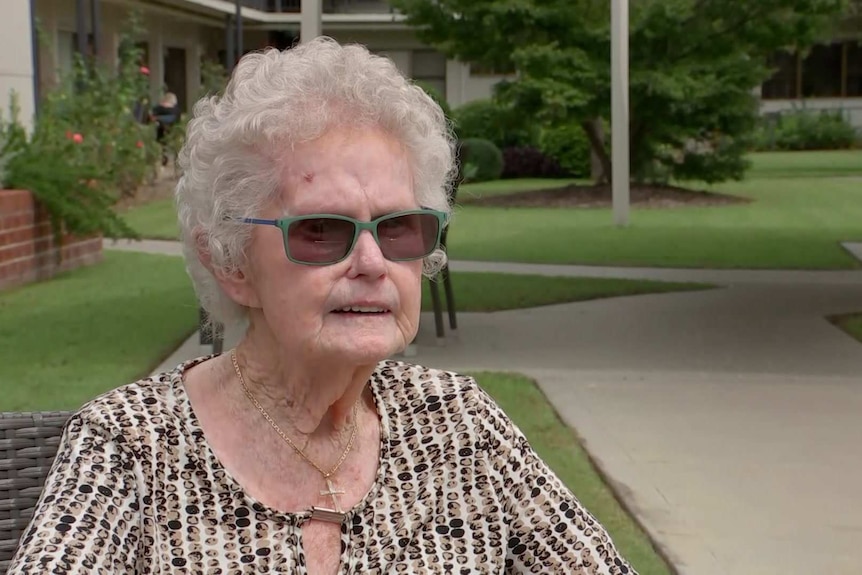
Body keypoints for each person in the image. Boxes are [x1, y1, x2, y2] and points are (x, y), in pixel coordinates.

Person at [8, 38, 636, 574]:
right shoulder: (128, 448)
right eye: (320, 230)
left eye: (399, 229)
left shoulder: (460, 428)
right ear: (230, 261)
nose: (371, 262)